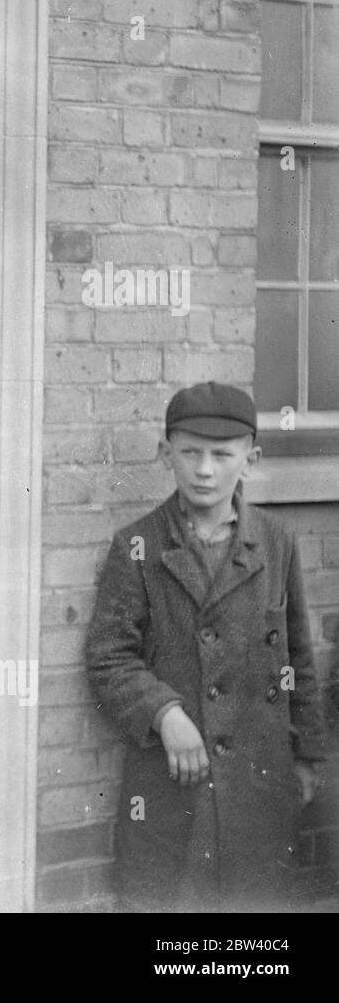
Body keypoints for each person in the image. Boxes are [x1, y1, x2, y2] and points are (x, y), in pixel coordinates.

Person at [85, 382, 327, 911]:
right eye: (190, 452)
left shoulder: (276, 541)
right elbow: (109, 657)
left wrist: (307, 756)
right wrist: (164, 713)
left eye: (222, 455)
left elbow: (298, 659)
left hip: (257, 782)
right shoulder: (138, 545)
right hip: (175, 785)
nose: (205, 469)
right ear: (165, 453)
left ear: (251, 458)